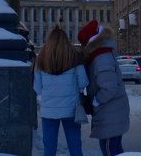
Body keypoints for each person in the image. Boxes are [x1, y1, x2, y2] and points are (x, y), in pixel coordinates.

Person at [33, 25, 89, 156]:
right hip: (71, 110)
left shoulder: (41, 59)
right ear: (66, 41)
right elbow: (83, 82)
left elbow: (37, 89)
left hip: (49, 111)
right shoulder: (75, 57)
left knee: (49, 149)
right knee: (75, 146)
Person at [78, 20, 130, 156]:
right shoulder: (101, 56)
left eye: (83, 44)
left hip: (109, 113)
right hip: (111, 112)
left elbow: (108, 89)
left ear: (90, 43)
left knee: (109, 150)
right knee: (116, 150)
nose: (82, 47)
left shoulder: (101, 59)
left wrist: (95, 101)